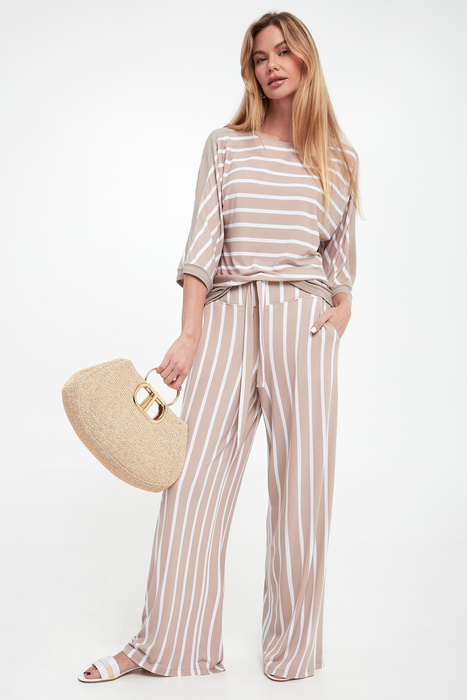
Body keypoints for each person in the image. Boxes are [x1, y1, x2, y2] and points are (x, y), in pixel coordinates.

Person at [79, 9, 361, 683]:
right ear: (250, 71)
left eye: (283, 51)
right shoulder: (226, 146)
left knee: (304, 493)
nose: (271, 65)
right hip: (229, 317)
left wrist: (339, 312)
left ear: (306, 59)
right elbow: (201, 250)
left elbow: (341, 264)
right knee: (192, 482)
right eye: (260, 56)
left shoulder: (341, 160)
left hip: (304, 322)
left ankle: (293, 655)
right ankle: (165, 646)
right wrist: (189, 334)